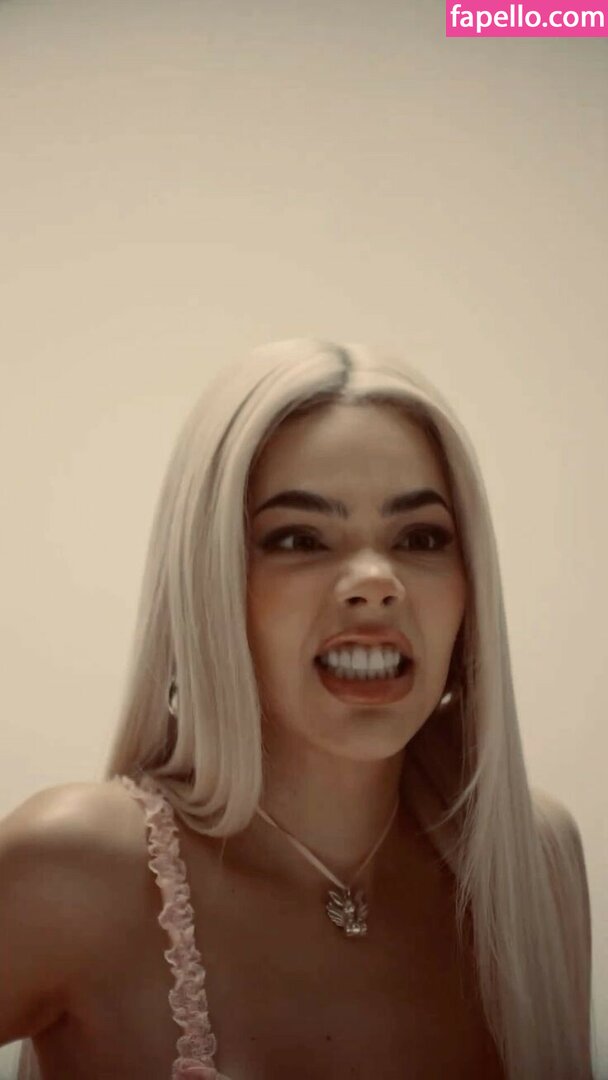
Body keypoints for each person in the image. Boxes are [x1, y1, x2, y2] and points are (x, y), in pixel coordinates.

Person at [1, 339, 595, 1080]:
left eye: (421, 537)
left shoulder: (535, 861)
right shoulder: (76, 868)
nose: (375, 580)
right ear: (210, 582)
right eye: (299, 538)